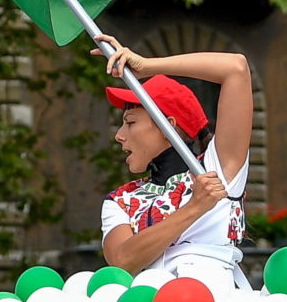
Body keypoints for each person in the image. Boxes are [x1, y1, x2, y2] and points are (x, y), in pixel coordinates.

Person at [92, 37, 258, 287]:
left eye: (130, 122)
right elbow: (122, 260)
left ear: (167, 125)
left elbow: (236, 68)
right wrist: (194, 207)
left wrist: (147, 66)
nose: (119, 135)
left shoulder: (217, 169)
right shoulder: (120, 199)